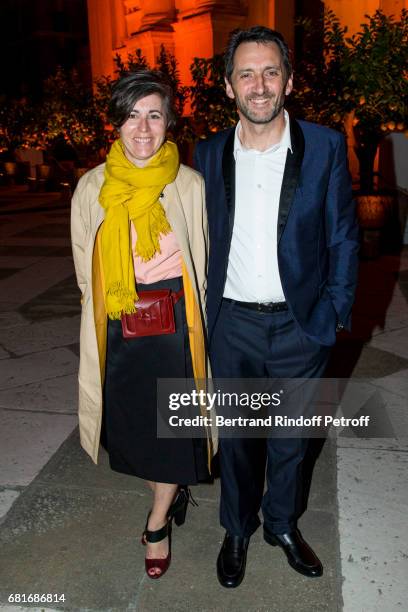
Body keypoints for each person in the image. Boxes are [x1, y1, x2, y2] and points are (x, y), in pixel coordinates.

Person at [194, 26, 359, 588]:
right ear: (227, 86)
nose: (258, 86)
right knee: (239, 441)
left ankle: (281, 525)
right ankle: (236, 529)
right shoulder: (208, 153)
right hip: (233, 324)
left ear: (288, 79)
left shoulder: (326, 145)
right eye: (246, 74)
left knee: (293, 438)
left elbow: (343, 235)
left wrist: (335, 311)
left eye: (270, 72)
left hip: (301, 324)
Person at [71, 70, 213, 580]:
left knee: (174, 430)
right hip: (120, 326)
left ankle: (157, 524)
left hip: (175, 325)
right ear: (117, 123)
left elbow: (203, 255)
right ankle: (168, 494)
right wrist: (106, 314)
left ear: (169, 121)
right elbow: (84, 262)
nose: (144, 127)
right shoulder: (92, 187)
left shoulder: (188, 183)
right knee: (136, 430)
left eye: (154, 114)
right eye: (132, 114)